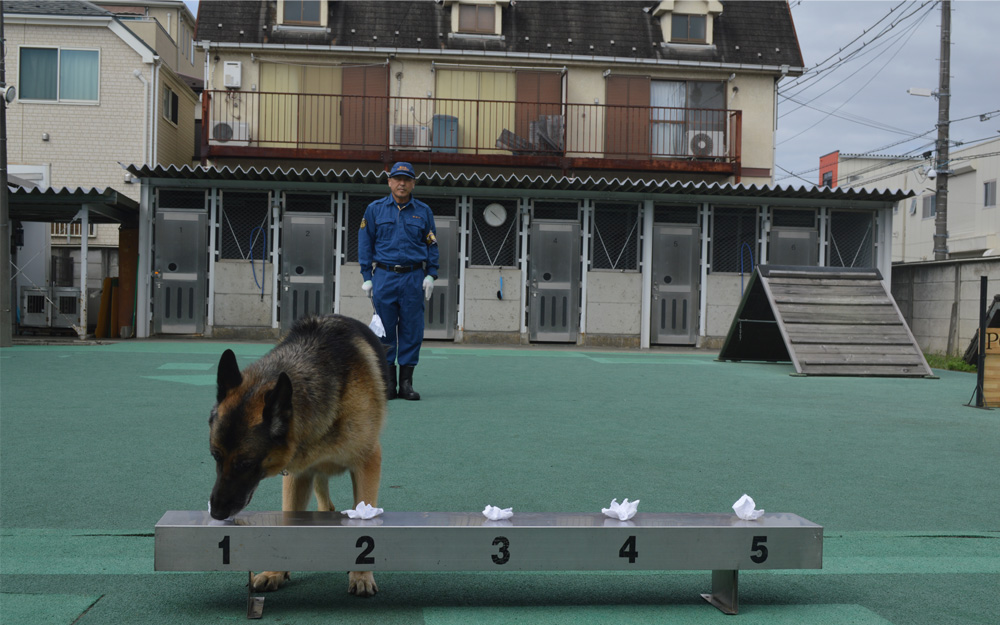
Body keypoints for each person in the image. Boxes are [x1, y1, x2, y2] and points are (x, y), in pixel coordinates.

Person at [358, 162, 439, 401]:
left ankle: (406, 385)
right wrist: (367, 277)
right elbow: (365, 243)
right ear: (389, 182)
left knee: (411, 330)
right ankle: (387, 385)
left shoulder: (423, 211)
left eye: (407, 179)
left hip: (414, 277)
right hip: (384, 277)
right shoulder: (374, 210)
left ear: (413, 183)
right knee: (383, 332)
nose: (402, 183)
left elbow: (432, 245)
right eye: (397, 179)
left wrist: (431, 274)